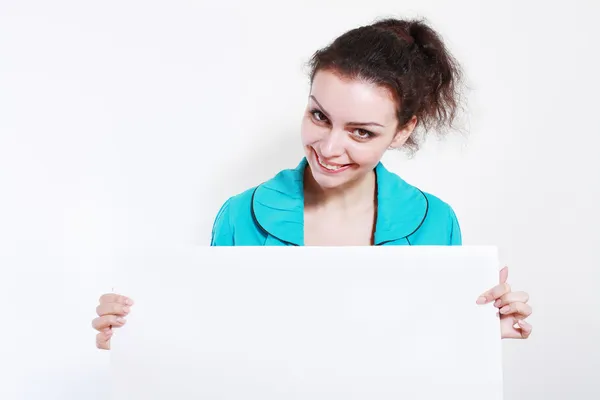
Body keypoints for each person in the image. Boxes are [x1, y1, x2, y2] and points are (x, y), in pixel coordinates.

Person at [92, 17, 533, 350]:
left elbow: (429, 352)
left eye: (361, 132)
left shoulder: (436, 222)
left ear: (402, 130)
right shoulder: (240, 215)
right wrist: (140, 338)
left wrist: (478, 333)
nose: (329, 147)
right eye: (319, 116)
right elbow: (216, 344)